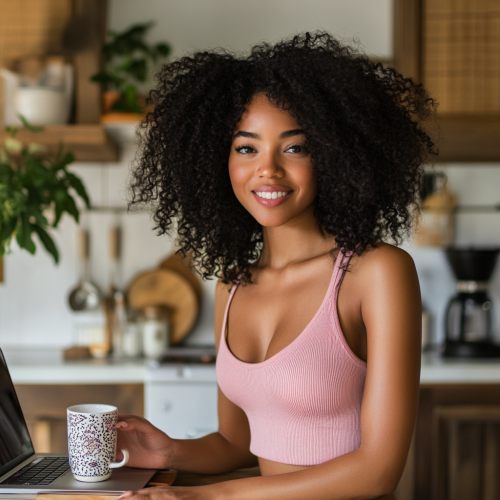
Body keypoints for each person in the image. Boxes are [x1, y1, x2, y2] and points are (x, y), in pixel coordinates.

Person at [118, 32, 435, 500]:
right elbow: (239, 443)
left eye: (295, 147)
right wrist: (170, 454)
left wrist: (211, 496)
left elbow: (378, 471)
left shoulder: (377, 273)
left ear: (334, 156)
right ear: (217, 160)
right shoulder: (232, 284)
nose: (267, 170)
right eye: (247, 148)